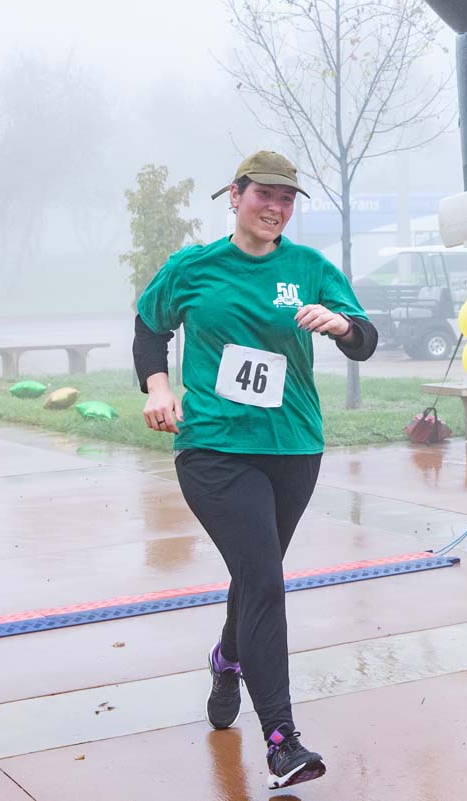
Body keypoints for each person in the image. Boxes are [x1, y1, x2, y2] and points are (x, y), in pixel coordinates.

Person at [132, 151, 377, 789]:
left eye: (287, 199)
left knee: (255, 574)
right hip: (214, 448)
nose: (276, 208)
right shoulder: (193, 267)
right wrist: (158, 387)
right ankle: (281, 741)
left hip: (293, 447)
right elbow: (148, 328)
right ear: (235, 195)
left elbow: (365, 339)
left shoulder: (309, 268)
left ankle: (227, 659)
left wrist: (342, 325)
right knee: (265, 576)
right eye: (265, 194)